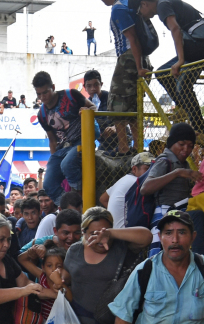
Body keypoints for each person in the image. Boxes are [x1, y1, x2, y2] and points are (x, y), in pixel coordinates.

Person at [153, 0, 204, 136]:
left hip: (198, 48)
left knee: (183, 85)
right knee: (162, 73)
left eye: (140, 10)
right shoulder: (173, 4)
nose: (145, 16)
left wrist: (180, 60)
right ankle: (183, 107)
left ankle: (200, 131)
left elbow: (175, 29)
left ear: (145, 3)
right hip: (201, 48)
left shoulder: (162, 4)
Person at [103, 0, 159, 156]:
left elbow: (132, 38)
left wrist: (138, 66)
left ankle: (124, 149)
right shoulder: (130, 6)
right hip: (141, 58)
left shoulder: (118, 9)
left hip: (129, 59)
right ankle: (137, 147)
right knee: (134, 105)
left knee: (117, 103)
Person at [33, 70, 91, 205]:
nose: (43, 97)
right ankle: (69, 206)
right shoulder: (42, 114)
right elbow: (52, 140)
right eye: (39, 94)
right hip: (61, 148)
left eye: (45, 92)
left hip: (81, 141)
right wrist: (54, 162)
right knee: (48, 184)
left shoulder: (70, 95)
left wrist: (87, 112)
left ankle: (80, 200)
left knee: (67, 164)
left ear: (53, 87)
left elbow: (92, 107)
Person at [142, 123, 202, 250]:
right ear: (171, 143)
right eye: (181, 144)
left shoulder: (183, 163)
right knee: (158, 255)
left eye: (190, 146)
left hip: (179, 214)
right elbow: (145, 188)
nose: (186, 149)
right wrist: (177, 173)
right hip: (163, 213)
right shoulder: (164, 161)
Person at [100, 151, 155, 227]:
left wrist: (119, 212)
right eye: (147, 169)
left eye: (153, 168)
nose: (151, 172)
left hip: (116, 231)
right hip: (126, 234)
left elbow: (103, 198)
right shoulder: (136, 182)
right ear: (134, 169)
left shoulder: (124, 179)